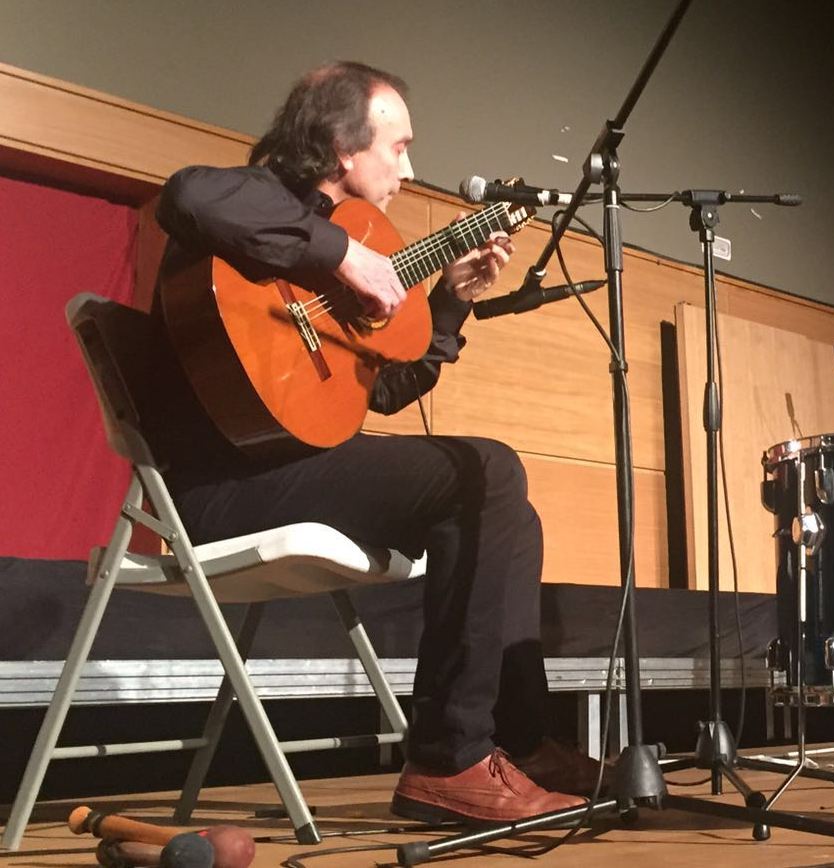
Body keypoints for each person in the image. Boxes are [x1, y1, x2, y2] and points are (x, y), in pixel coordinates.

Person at [144, 61, 600, 823]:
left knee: (501, 504)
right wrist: (341, 253)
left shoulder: (349, 243)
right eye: (399, 147)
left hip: (290, 464)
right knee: (485, 470)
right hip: (219, 488)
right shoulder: (256, 200)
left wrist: (449, 305)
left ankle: (515, 741)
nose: (410, 169)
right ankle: (447, 760)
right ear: (340, 148)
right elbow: (185, 195)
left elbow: (378, 392)